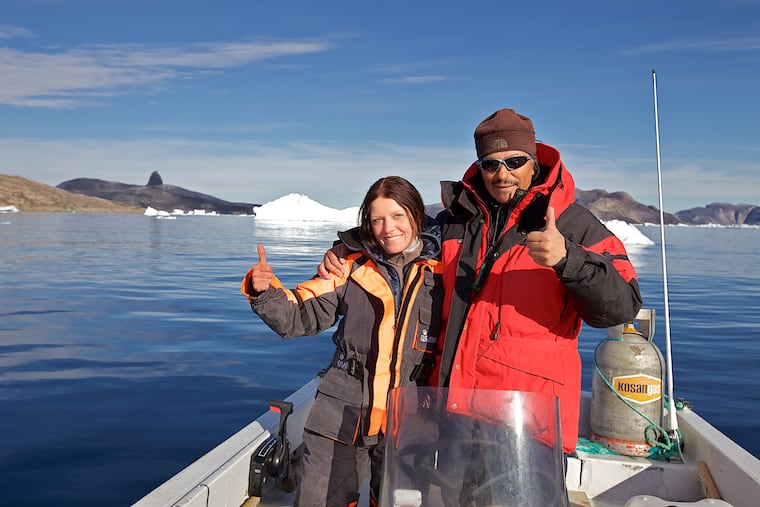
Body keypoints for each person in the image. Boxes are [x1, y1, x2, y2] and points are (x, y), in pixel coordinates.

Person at [319, 108, 643, 456]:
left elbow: (621, 307)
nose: (502, 174)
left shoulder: (573, 225)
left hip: (527, 421)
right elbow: (398, 235)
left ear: (534, 162)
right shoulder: (457, 220)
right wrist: (347, 247)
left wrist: (568, 259)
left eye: (514, 161)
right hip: (451, 409)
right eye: (491, 164)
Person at [241, 176, 444, 507]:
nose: (387, 228)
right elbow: (300, 316)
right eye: (377, 219)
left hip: (409, 417)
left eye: (397, 216)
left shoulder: (443, 270)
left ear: (416, 216)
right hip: (342, 410)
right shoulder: (346, 265)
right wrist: (265, 291)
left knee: (400, 502)